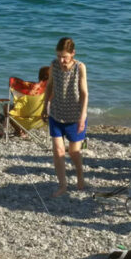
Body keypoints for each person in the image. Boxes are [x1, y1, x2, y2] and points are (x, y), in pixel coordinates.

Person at [42, 37, 88, 197]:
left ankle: (80, 175)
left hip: (75, 116)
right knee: (58, 151)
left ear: (72, 54)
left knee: (74, 152)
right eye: (59, 56)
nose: (61, 60)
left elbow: (84, 93)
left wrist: (82, 117)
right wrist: (44, 107)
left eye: (65, 57)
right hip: (56, 113)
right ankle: (63, 186)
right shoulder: (54, 65)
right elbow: (49, 87)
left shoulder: (80, 67)